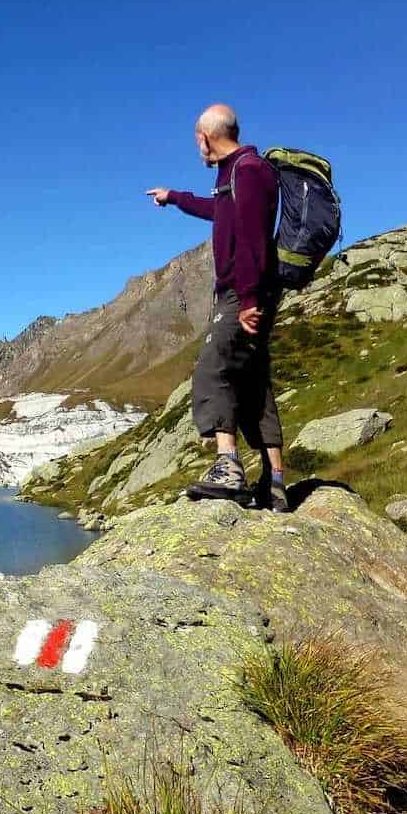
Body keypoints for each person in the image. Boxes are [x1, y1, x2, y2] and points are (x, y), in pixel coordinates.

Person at [145, 104, 289, 512]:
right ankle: (275, 482)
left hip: (243, 294)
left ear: (205, 137)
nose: (198, 149)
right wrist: (174, 197)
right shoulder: (237, 175)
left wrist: (246, 301)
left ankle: (228, 469)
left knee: (212, 370)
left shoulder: (247, 172)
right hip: (251, 292)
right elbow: (218, 212)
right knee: (252, 383)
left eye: (196, 141)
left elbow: (251, 240)